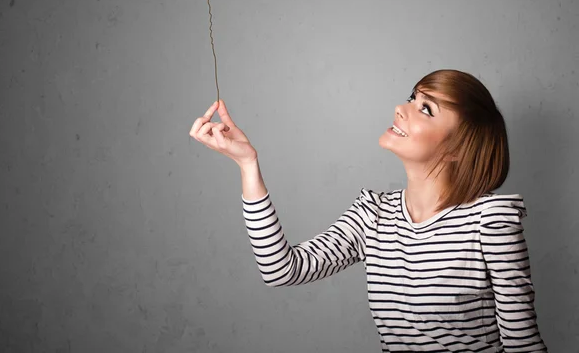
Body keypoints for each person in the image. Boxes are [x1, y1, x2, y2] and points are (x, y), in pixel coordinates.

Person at [189, 69, 548, 352]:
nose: (400, 108)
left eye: (425, 109)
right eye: (412, 97)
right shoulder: (373, 215)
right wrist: (248, 165)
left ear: (458, 149)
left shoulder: (490, 221)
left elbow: (523, 344)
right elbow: (282, 269)